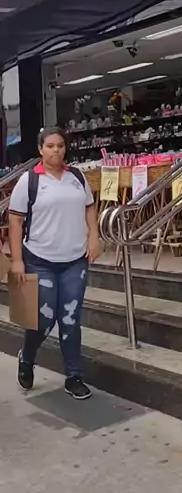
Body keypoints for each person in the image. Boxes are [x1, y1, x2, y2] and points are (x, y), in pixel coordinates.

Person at [8, 126, 102, 399]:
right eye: (50, 146)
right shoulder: (29, 181)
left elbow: (89, 206)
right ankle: (27, 356)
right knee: (44, 320)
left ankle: (74, 376)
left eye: (60, 145)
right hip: (40, 260)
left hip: (75, 260)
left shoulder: (76, 177)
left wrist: (94, 236)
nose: (56, 150)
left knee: (70, 319)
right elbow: (15, 221)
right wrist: (17, 260)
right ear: (40, 149)